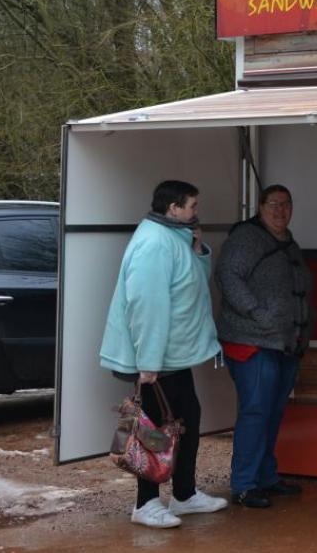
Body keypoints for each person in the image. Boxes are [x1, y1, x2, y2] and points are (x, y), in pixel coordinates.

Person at [99, 180, 228, 529]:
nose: (196, 211)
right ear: (173, 208)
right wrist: (149, 363)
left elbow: (192, 282)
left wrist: (199, 250)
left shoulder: (174, 236)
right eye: (192, 206)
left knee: (187, 420)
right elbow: (147, 305)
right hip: (157, 358)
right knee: (153, 430)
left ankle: (184, 495)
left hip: (173, 355)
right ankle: (146, 503)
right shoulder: (155, 243)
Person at [216, 184, 316, 509]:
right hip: (253, 340)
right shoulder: (247, 238)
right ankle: (244, 484)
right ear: (260, 207)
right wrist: (257, 313)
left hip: (285, 342)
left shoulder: (289, 241)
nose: (280, 210)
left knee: (272, 412)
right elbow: (228, 276)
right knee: (256, 411)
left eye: (286, 204)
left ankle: (266, 477)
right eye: (273, 204)